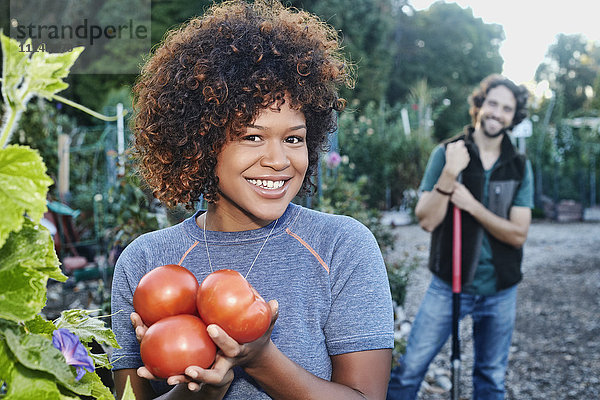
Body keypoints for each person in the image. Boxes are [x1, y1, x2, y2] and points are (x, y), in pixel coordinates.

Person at [110, 1, 395, 399]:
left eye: (293, 138)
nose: (279, 161)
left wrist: (262, 359)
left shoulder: (341, 247)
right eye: (252, 136)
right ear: (203, 142)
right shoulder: (144, 264)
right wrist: (201, 392)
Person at [387, 74, 533, 399]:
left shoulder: (520, 166)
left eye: (506, 108)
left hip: (500, 290)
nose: (497, 113)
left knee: (491, 380)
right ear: (480, 105)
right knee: (409, 370)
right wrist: (450, 172)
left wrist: (472, 206)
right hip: (447, 285)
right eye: (492, 103)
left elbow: (517, 234)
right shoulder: (448, 153)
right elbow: (426, 220)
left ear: (514, 116)